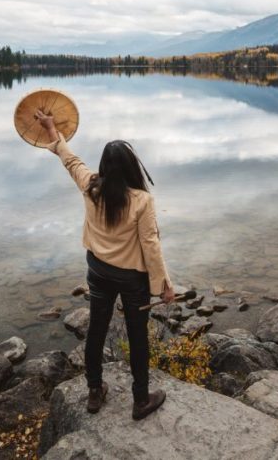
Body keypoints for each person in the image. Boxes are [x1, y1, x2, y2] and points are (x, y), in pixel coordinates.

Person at [35, 109, 175, 420]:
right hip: (131, 279)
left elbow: (70, 160)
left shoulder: (90, 185)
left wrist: (51, 129)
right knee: (137, 337)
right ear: (131, 167)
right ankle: (141, 401)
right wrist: (163, 286)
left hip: (98, 271)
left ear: (104, 166)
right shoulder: (141, 200)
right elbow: (150, 245)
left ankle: (95, 392)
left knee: (97, 330)